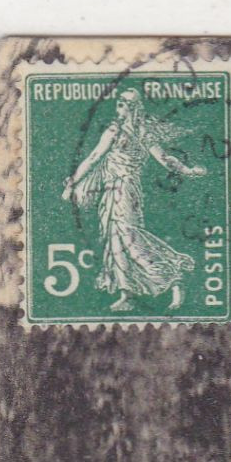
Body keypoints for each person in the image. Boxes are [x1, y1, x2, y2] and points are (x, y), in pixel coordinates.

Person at [61, 89, 207, 312]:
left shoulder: (142, 132)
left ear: (133, 107)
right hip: (112, 190)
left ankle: (173, 278)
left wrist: (187, 171)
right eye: (119, 103)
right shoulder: (114, 130)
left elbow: (165, 160)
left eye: (123, 103)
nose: (119, 107)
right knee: (115, 240)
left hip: (126, 190)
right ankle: (126, 293)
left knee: (129, 237)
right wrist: (73, 182)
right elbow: (92, 158)